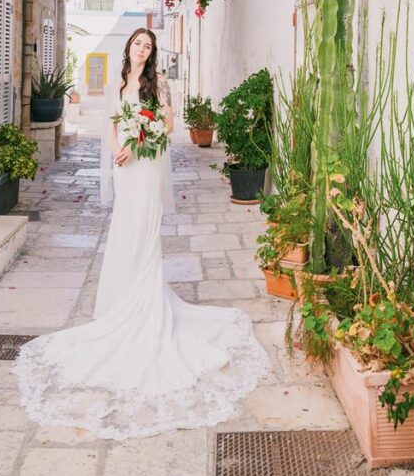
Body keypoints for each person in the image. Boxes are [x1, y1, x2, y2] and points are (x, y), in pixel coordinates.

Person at [14, 28, 269, 439]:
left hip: (147, 164)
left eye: (148, 46)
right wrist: (118, 147)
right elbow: (115, 120)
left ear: (152, 54)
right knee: (125, 231)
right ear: (128, 48)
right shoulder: (120, 82)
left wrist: (136, 142)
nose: (142, 50)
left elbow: (168, 124)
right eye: (138, 44)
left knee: (145, 231)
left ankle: (146, 306)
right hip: (125, 165)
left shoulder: (159, 84)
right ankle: (120, 300)